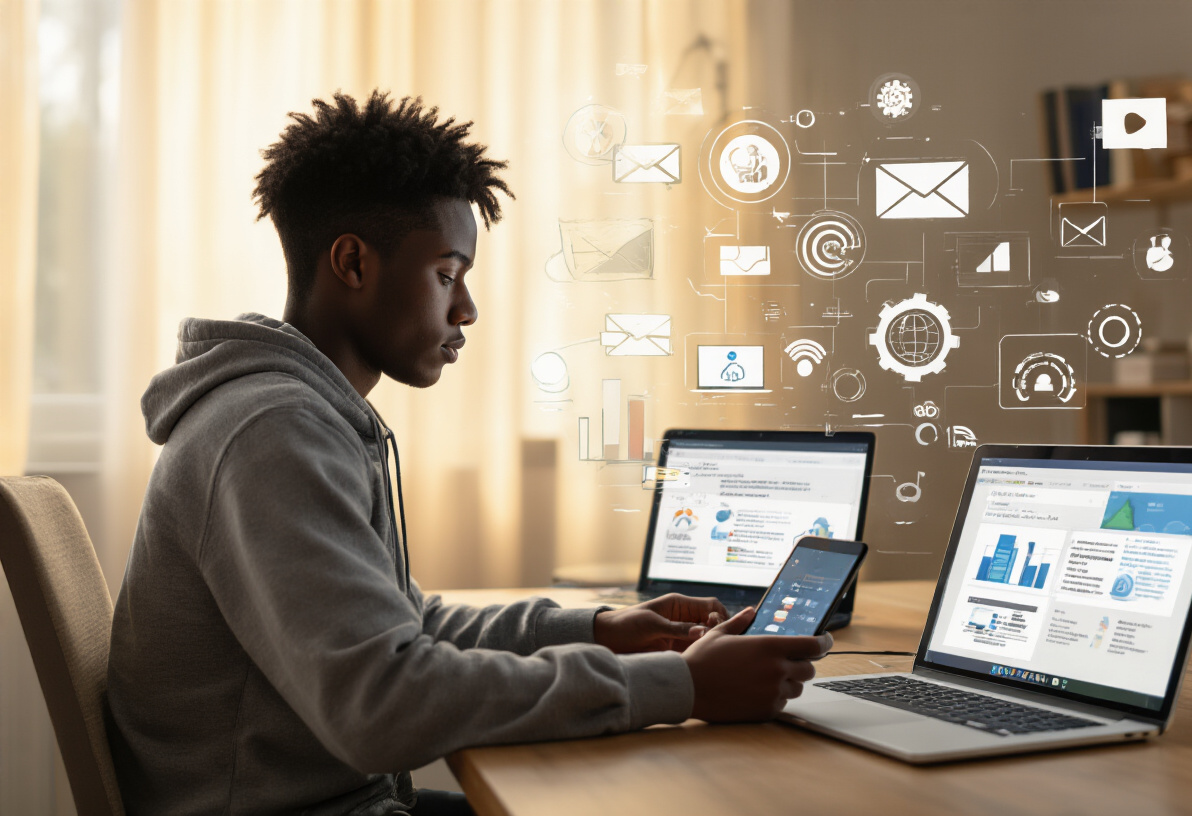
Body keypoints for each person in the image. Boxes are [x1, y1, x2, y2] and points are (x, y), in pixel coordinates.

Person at [105, 90, 829, 816]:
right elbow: (384, 703)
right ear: (353, 263)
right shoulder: (271, 434)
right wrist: (688, 688)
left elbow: (403, 625)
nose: (467, 309)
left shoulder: (298, 416)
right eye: (448, 274)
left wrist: (601, 630)